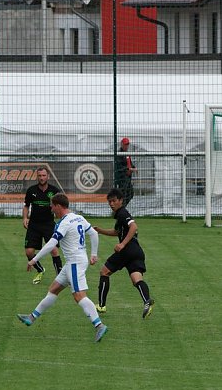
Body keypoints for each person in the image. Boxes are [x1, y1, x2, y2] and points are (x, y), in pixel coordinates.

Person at [16, 194, 108, 343]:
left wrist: (34, 259)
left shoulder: (63, 223)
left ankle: (99, 325)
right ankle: (31, 318)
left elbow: (51, 244)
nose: (51, 209)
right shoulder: (79, 218)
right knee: (54, 289)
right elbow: (94, 233)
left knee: (79, 295)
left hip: (74, 263)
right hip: (76, 261)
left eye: (52, 206)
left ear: (58, 206)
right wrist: (94, 254)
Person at [93, 188, 154, 319]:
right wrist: (100, 230)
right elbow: (116, 232)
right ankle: (147, 301)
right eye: (109, 201)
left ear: (121, 201)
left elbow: (134, 227)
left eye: (114, 201)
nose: (111, 204)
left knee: (104, 272)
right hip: (137, 251)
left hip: (127, 250)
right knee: (136, 279)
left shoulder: (123, 213)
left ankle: (102, 305)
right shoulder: (120, 216)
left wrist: (122, 244)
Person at [23, 166, 63, 284]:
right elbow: (26, 206)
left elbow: (61, 206)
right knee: (29, 252)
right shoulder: (31, 190)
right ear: (37, 176)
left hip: (49, 224)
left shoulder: (54, 191)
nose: (42, 178)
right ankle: (40, 269)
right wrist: (25, 218)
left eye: (44, 175)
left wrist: (60, 218)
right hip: (34, 225)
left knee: (54, 250)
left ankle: (60, 277)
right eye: (39, 176)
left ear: (48, 176)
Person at [114, 137, 137, 206]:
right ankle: (120, 208)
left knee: (130, 194)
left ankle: (121, 208)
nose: (126, 146)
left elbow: (130, 163)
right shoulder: (119, 154)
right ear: (121, 144)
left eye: (127, 144)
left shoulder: (127, 154)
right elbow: (119, 166)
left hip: (128, 178)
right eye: (125, 144)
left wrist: (134, 167)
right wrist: (128, 169)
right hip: (122, 178)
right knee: (122, 195)